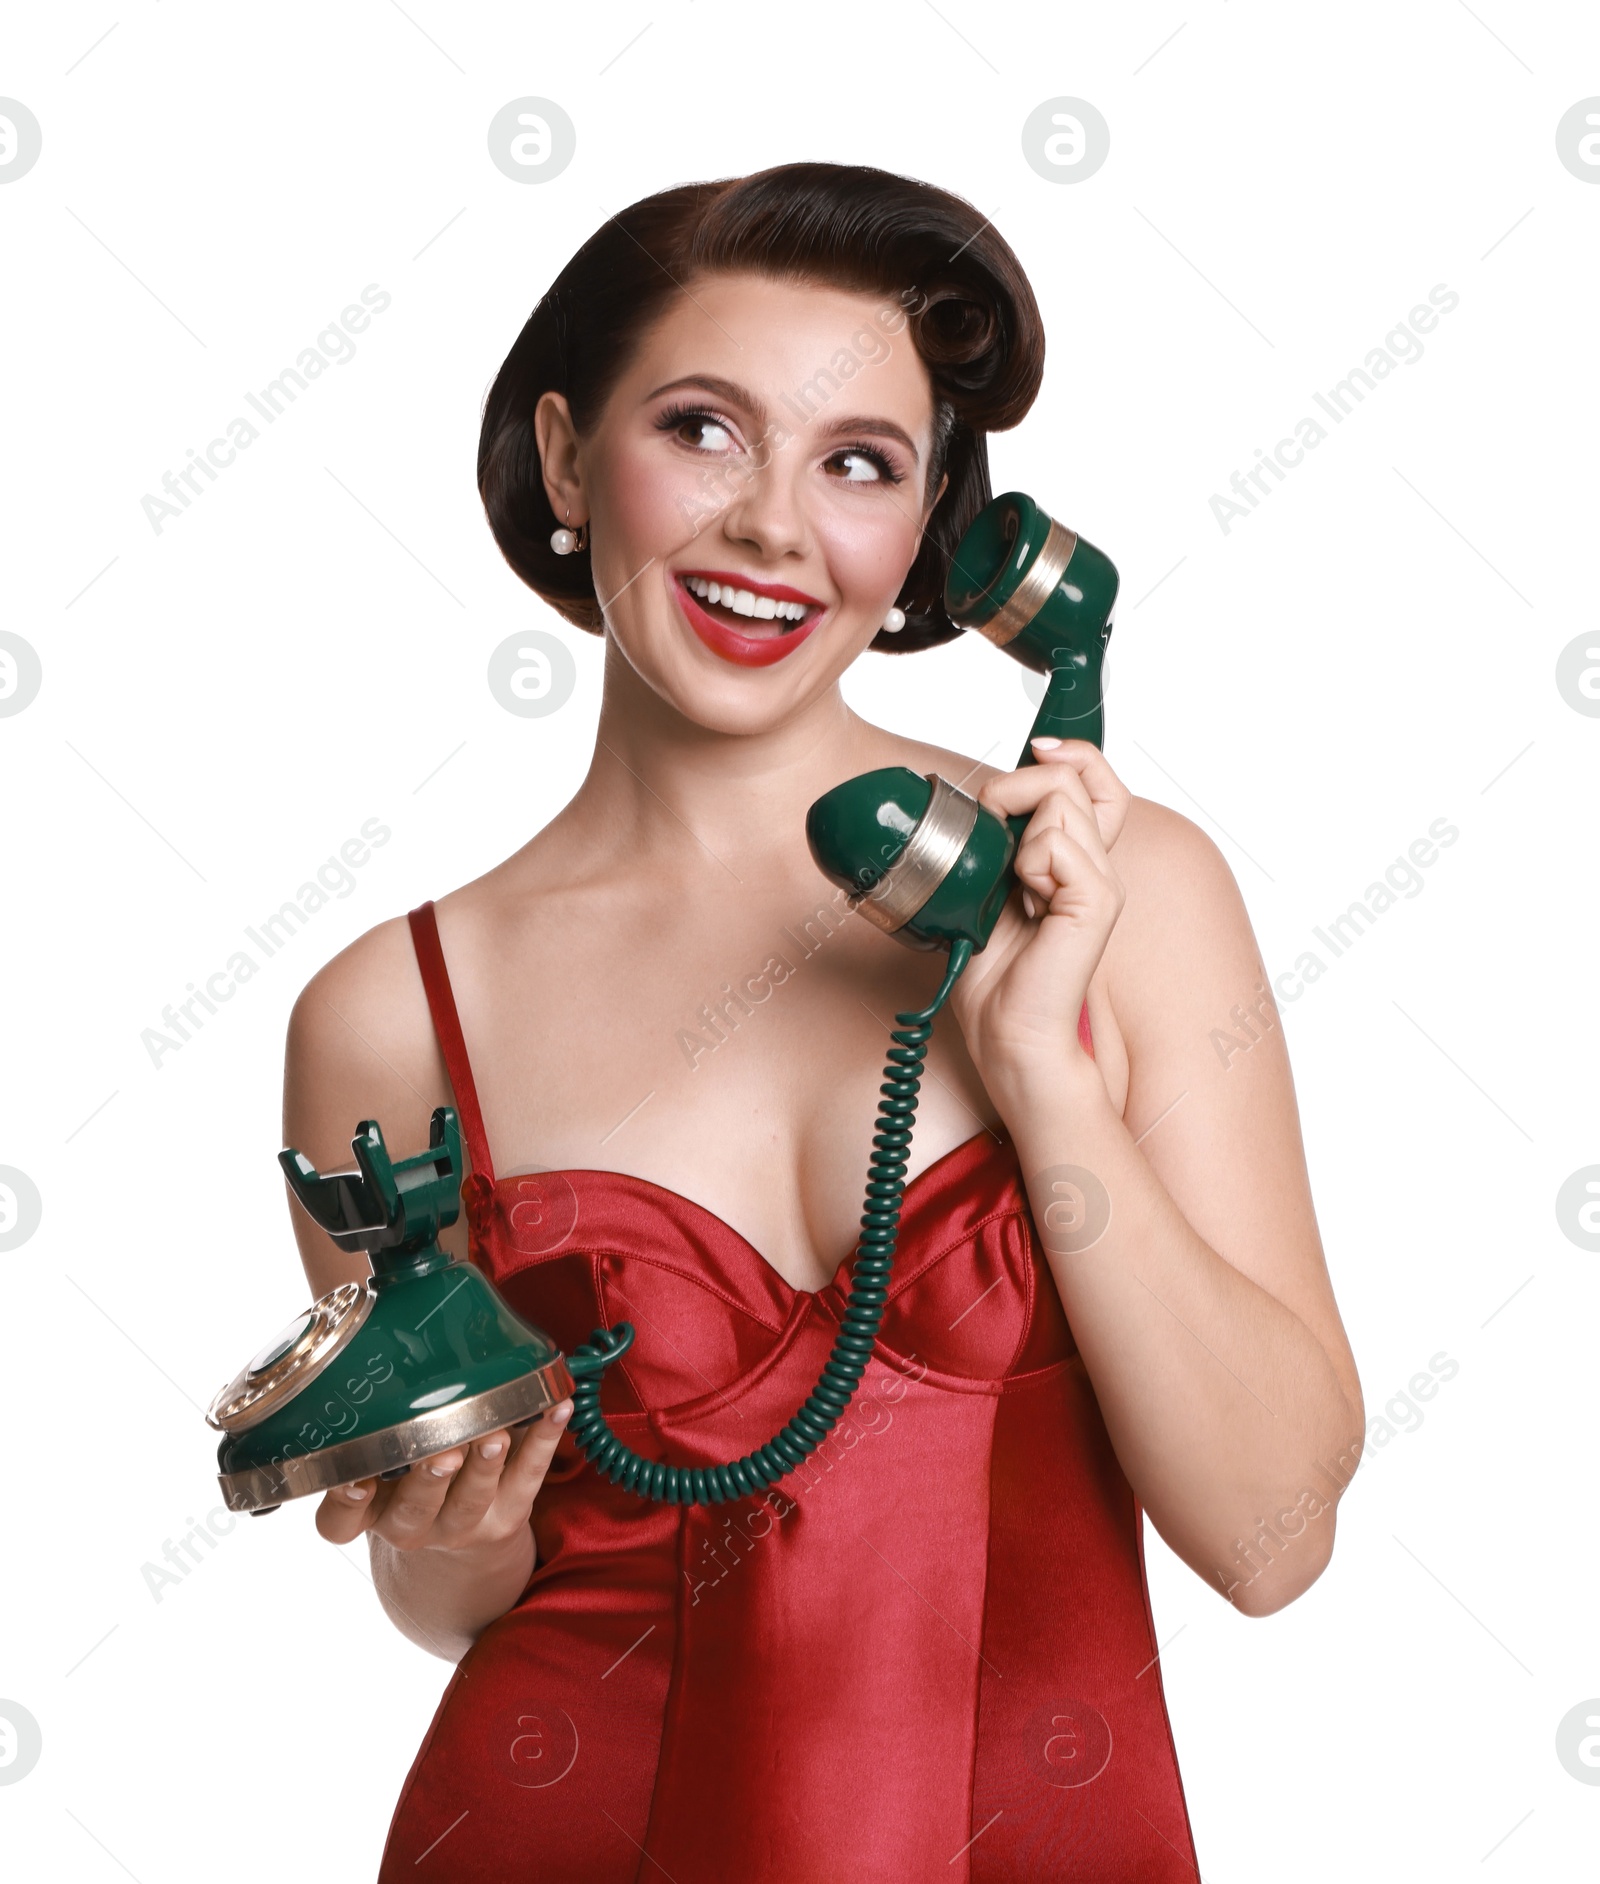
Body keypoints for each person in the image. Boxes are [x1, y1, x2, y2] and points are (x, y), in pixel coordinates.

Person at [282, 161, 1364, 1881]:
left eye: (857, 462)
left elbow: (1274, 1538)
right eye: (703, 431)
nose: (775, 526)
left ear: (936, 525)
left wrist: (1047, 1086)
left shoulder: (1125, 890)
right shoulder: (389, 1017)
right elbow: (454, 1602)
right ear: (570, 458)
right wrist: (445, 1535)